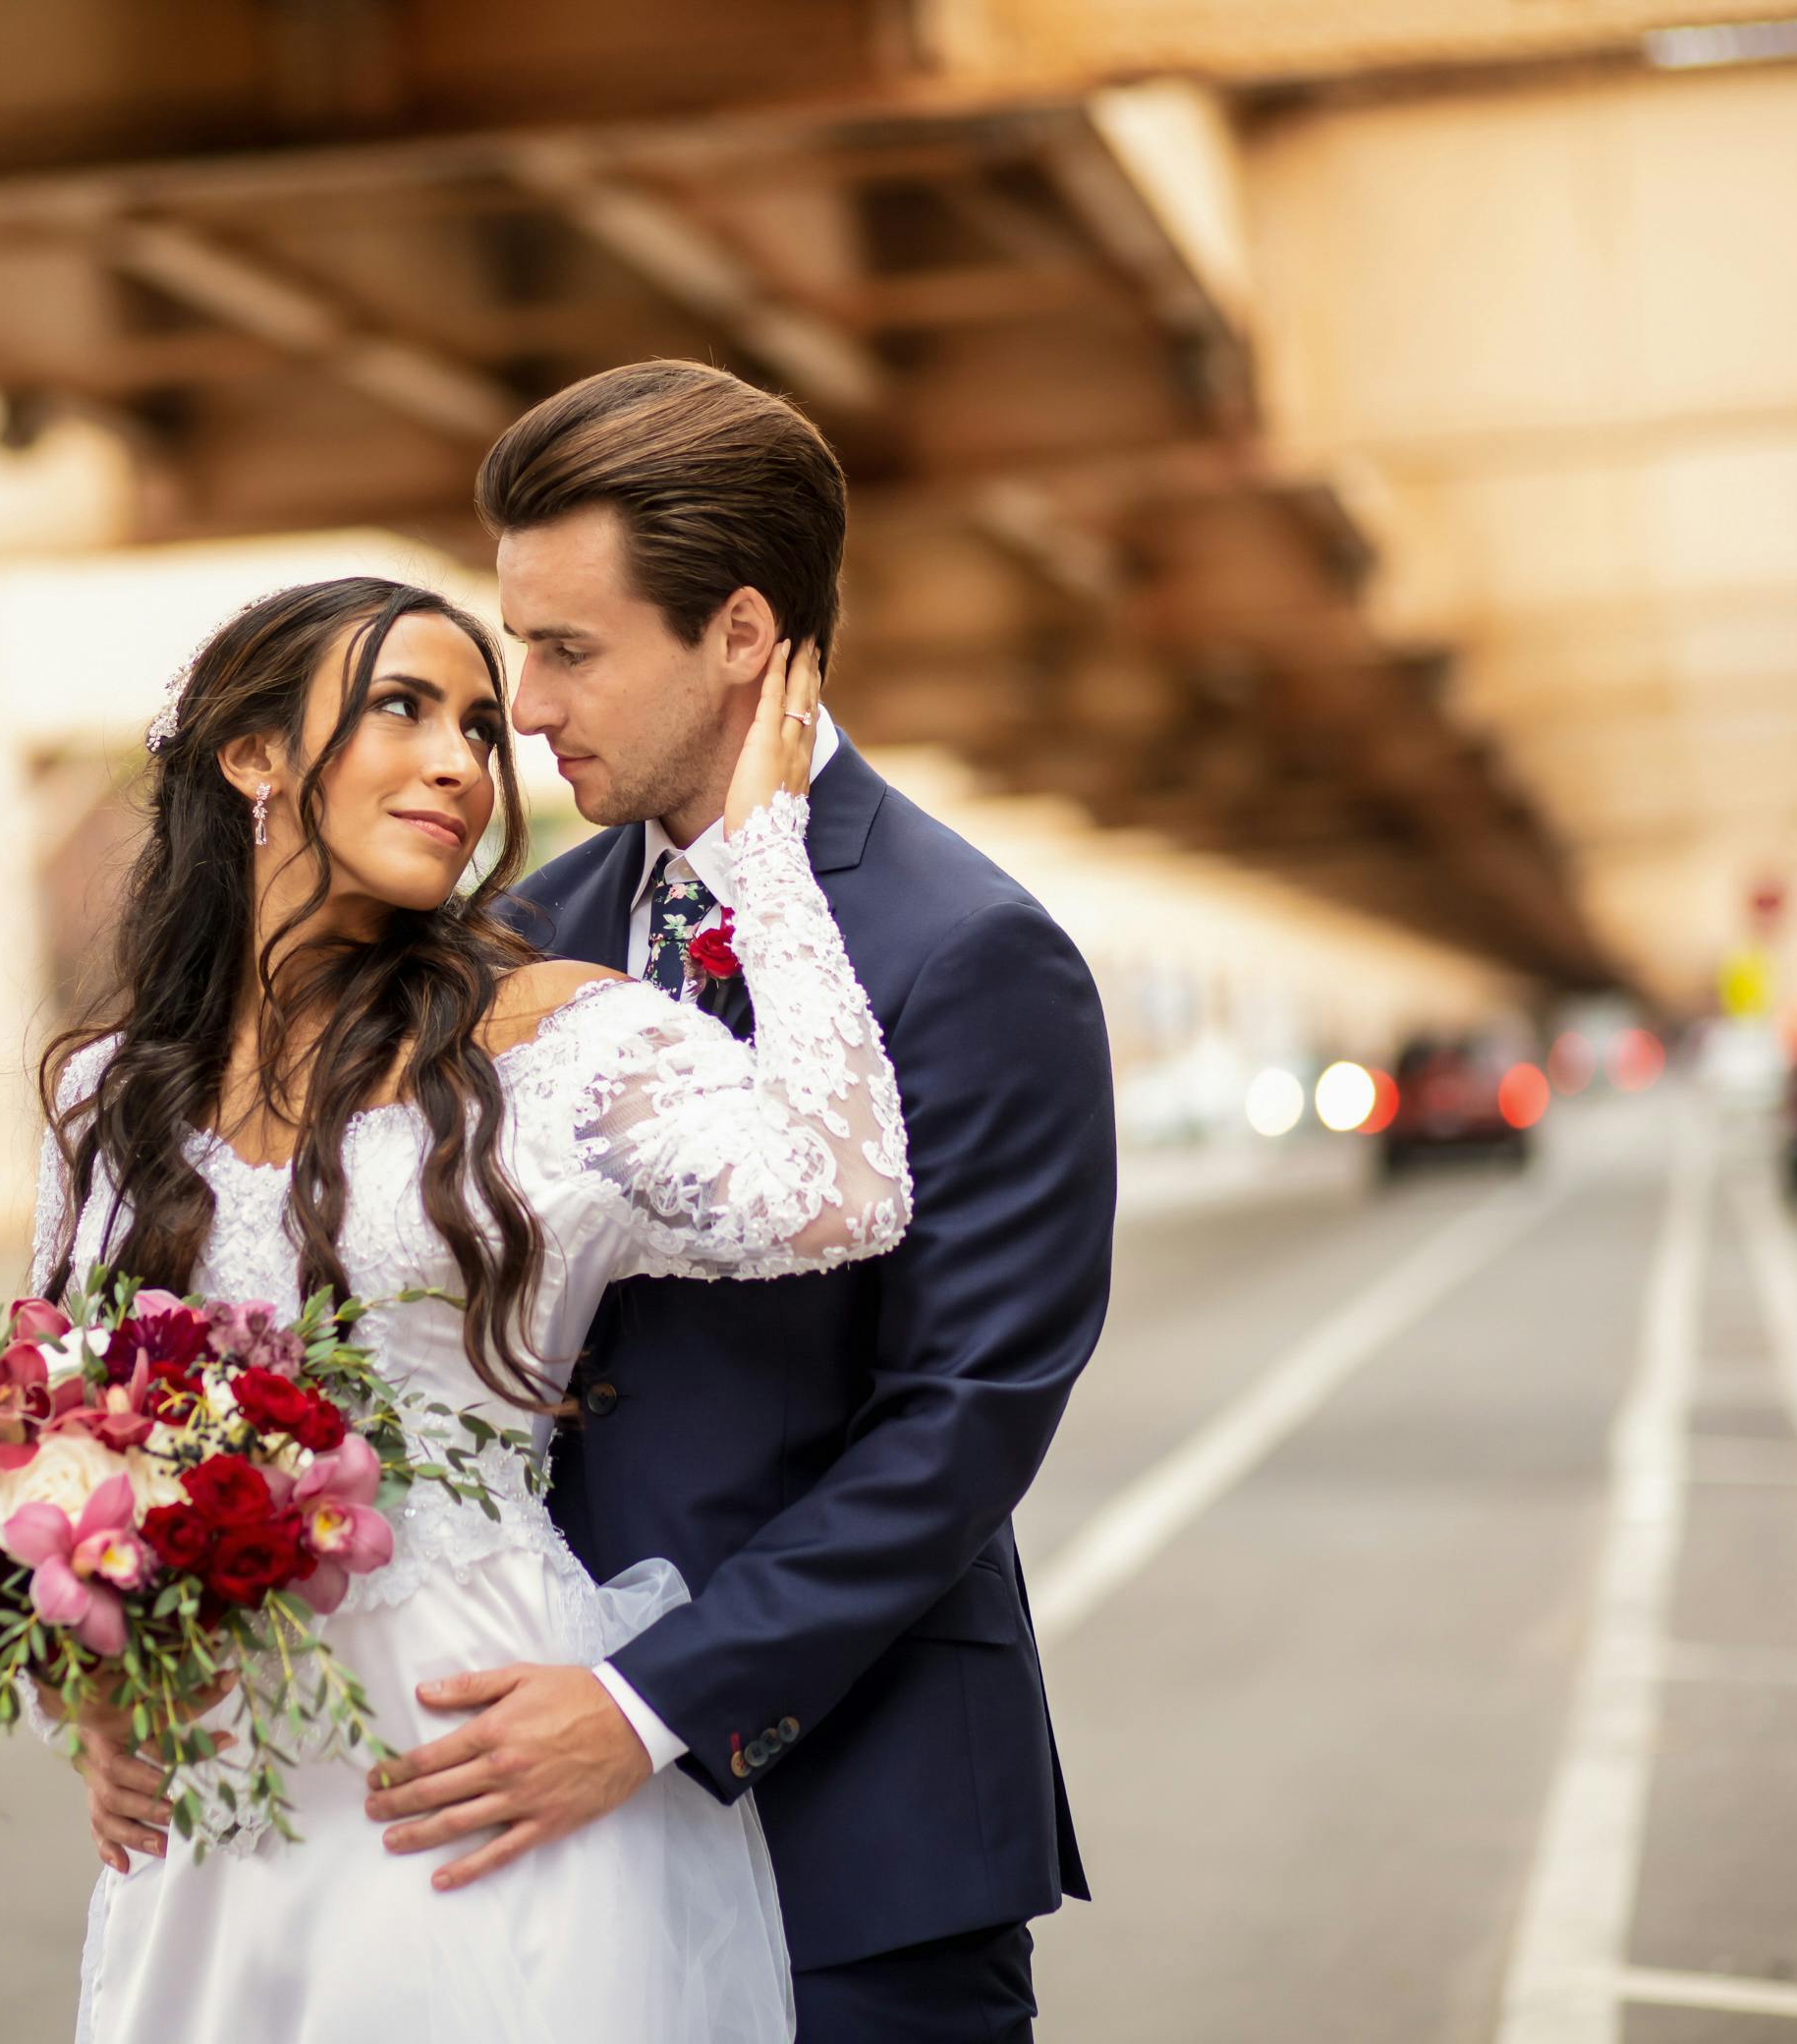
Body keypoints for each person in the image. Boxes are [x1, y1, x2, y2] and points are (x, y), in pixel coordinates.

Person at [30, 571, 909, 2044]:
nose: (459, 758)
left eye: (482, 726)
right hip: (215, 1790)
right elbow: (57, 1426)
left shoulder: (552, 1041)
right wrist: (90, 1694)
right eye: (403, 707)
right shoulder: (104, 1091)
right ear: (250, 757)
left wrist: (765, 855)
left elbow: (842, 1191)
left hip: (477, 1748)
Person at [355, 360, 1111, 2041]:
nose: (519, 714)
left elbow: (966, 1416)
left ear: (743, 633)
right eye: (516, 646)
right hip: (536, 1841)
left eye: (567, 652)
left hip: (863, 1828)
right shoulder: (507, 941)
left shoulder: (973, 949)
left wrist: (643, 1707)